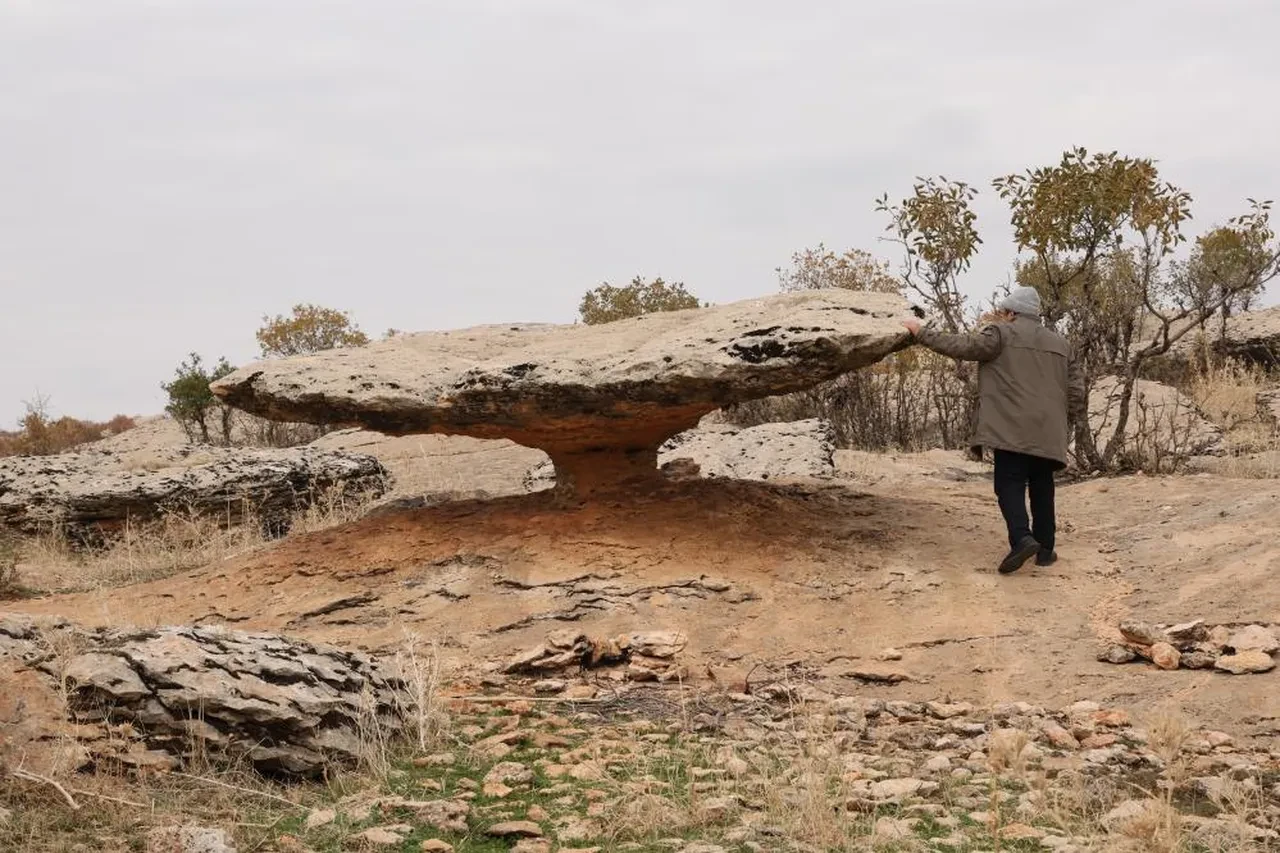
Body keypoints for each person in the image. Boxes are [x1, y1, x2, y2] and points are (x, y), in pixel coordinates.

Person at [902, 286, 1085, 575]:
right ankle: (1046, 550)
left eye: (1004, 312)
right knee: (1041, 485)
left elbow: (964, 346)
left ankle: (1022, 539)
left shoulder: (1000, 334)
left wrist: (921, 333)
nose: (1001, 316)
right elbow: (1076, 390)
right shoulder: (1061, 345)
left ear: (1012, 313)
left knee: (1009, 483)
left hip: (1011, 427)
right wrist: (1066, 423)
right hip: (1049, 429)